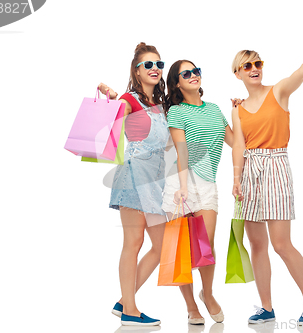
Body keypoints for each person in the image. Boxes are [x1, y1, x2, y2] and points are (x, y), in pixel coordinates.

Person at [231, 40, 303, 326]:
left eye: (258, 63)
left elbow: (300, 73)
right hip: (250, 173)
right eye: (248, 65)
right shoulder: (238, 109)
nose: (254, 69)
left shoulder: (278, 91)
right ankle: (266, 307)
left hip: (276, 166)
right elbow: (239, 146)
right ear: (237, 73)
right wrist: (236, 180)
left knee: (281, 244)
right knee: (257, 244)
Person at [99, 42, 171, 326]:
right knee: (134, 241)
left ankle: (123, 300)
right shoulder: (130, 99)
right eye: (148, 65)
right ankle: (130, 310)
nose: (155, 69)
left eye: (158, 64)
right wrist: (112, 97)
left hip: (155, 180)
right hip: (133, 175)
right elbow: (112, 117)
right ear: (137, 71)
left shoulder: (161, 104)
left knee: (161, 245)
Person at [161, 60, 233, 325]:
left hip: (206, 184)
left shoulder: (214, 109)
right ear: (177, 83)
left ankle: (208, 293)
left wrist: (237, 113)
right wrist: (181, 187)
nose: (193, 76)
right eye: (186, 73)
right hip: (180, 182)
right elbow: (181, 151)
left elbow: (235, 142)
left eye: (196, 71)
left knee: (207, 245)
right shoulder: (177, 112)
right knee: (183, 249)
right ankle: (191, 306)